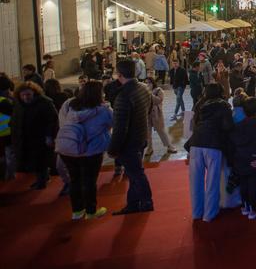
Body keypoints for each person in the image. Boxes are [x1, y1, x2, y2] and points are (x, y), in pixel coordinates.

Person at [55, 80, 113, 220]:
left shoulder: (69, 105)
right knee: (89, 181)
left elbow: (62, 122)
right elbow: (112, 124)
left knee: (74, 180)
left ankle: (77, 211)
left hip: (69, 149)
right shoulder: (104, 110)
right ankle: (91, 211)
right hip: (91, 151)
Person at [107, 59, 154, 215]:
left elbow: (120, 127)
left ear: (119, 74)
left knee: (136, 174)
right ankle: (133, 204)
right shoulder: (144, 88)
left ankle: (147, 202)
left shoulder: (123, 96)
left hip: (129, 142)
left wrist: (113, 149)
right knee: (134, 174)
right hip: (141, 136)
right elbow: (148, 110)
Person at [186, 83, 233, 222]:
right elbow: (228, 126)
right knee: (212, 180)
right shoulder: (223, 105)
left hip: (195, 143)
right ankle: (209, 213)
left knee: (195, 180)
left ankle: (196, 212)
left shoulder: (199, 104)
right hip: (213, 144)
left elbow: (193, 123)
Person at [229, 96, 256, 219]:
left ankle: (245, 206)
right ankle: (253, 209)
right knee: (252, 184)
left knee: (243, 184)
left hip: (239, 158)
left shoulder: (238, 125)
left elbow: (232, 141)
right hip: (253, 158)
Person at [11, 81, 57, 189]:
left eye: (28, 94)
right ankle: (42, 178)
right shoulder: (19, 104)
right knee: (33, 160)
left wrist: (49, 136)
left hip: (39, 137)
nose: (26, 97)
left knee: (40, 160)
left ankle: (41, 181)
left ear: (34, 93)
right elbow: (15, 119)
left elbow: (52, 120)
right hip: (25, 137)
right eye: (23, 95)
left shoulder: (44, 103)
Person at [143, 78, 176, 155]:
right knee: (147, 133)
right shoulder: (144, 92)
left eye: (149, 82)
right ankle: (149, 148)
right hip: (147, 114)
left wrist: (149, 94)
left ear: (153, 83)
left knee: (161, 131)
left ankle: (169, 146)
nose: (147, 84)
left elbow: (158, 100)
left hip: (156, 114)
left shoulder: (159, 90)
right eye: (146, 83)